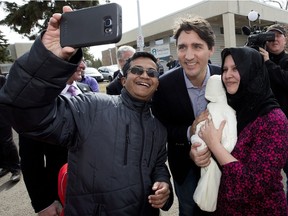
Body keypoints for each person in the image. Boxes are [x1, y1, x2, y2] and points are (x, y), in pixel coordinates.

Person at [0, 6, 173, 215]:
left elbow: (158, 166)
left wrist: (164, 186)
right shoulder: (90, 107)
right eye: (137, 70)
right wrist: (46, 61)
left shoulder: (159, 128)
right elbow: (26, 114)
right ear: (123, 79)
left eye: (152, 72)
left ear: (157, 83)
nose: (145, 75)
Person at [198, 46, 288, 215]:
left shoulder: (274, 119)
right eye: (225, 69)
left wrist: (214, 146)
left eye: (236, 68)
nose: (227, 75)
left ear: (253, 72)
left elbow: (255, 185)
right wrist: (200, 153)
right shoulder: (230, 110)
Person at [152, 15, 221, 215]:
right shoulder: (164, 86)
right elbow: (161, 129)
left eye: (197, 46)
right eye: (182, 47)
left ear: (211, 49)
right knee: (189, 209)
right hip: (184, 167)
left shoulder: (225, 78)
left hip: (222, 165)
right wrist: (190, 132)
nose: (188, 55)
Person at [18, 67, 92, 216]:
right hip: (62, 190)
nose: (83, 65)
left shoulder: (86, 89)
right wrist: (43, 204)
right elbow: (30, 159)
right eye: (76, 60)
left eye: (82, 59)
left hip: (96, 185)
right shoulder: (35, 102)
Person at [191, 74, 237, 212]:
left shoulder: (212, 106)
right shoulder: (226, 109)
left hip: (214, 152)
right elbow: (231, 138)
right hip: (213, 152)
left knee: (211, 182)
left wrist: (204, 142)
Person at [258, 23, 288, 200]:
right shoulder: (258, 60)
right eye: (270, 36)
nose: (275, 39)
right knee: (267, 177)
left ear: (285, 39)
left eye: (279, 35)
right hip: (266, 130)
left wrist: (268, 62)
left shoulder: (284, 61)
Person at [0, 74, 21, 182]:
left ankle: (15, 169)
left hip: (2, 116)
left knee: (6, 142)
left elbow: (8, 96)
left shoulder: (2, 79)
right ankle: (5, 166)